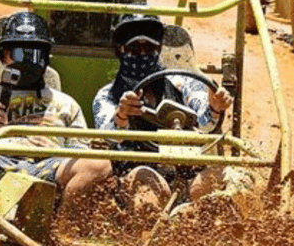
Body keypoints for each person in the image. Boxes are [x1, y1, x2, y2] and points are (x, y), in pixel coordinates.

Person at [0, 11, 112, 207]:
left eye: (35, 55)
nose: (26, 62)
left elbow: (80, 149)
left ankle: (63, 231)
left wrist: (57, 150)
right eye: (18, 53)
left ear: (47, 60)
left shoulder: (66, 104)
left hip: (51, 167)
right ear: (2, 57)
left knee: (99, 164)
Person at [92, 13, 233, 206]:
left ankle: (196, 218)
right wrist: (122, 115)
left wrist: (215, 107)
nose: (142, 54)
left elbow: (205, 123)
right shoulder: (107, 96)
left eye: (149, 47)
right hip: (138, 173)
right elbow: (110, 135)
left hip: (188, 172)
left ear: (158, 49)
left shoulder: (182, 84)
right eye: (133, 48)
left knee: (231, 179)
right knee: (148, 193)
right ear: (120, 50)